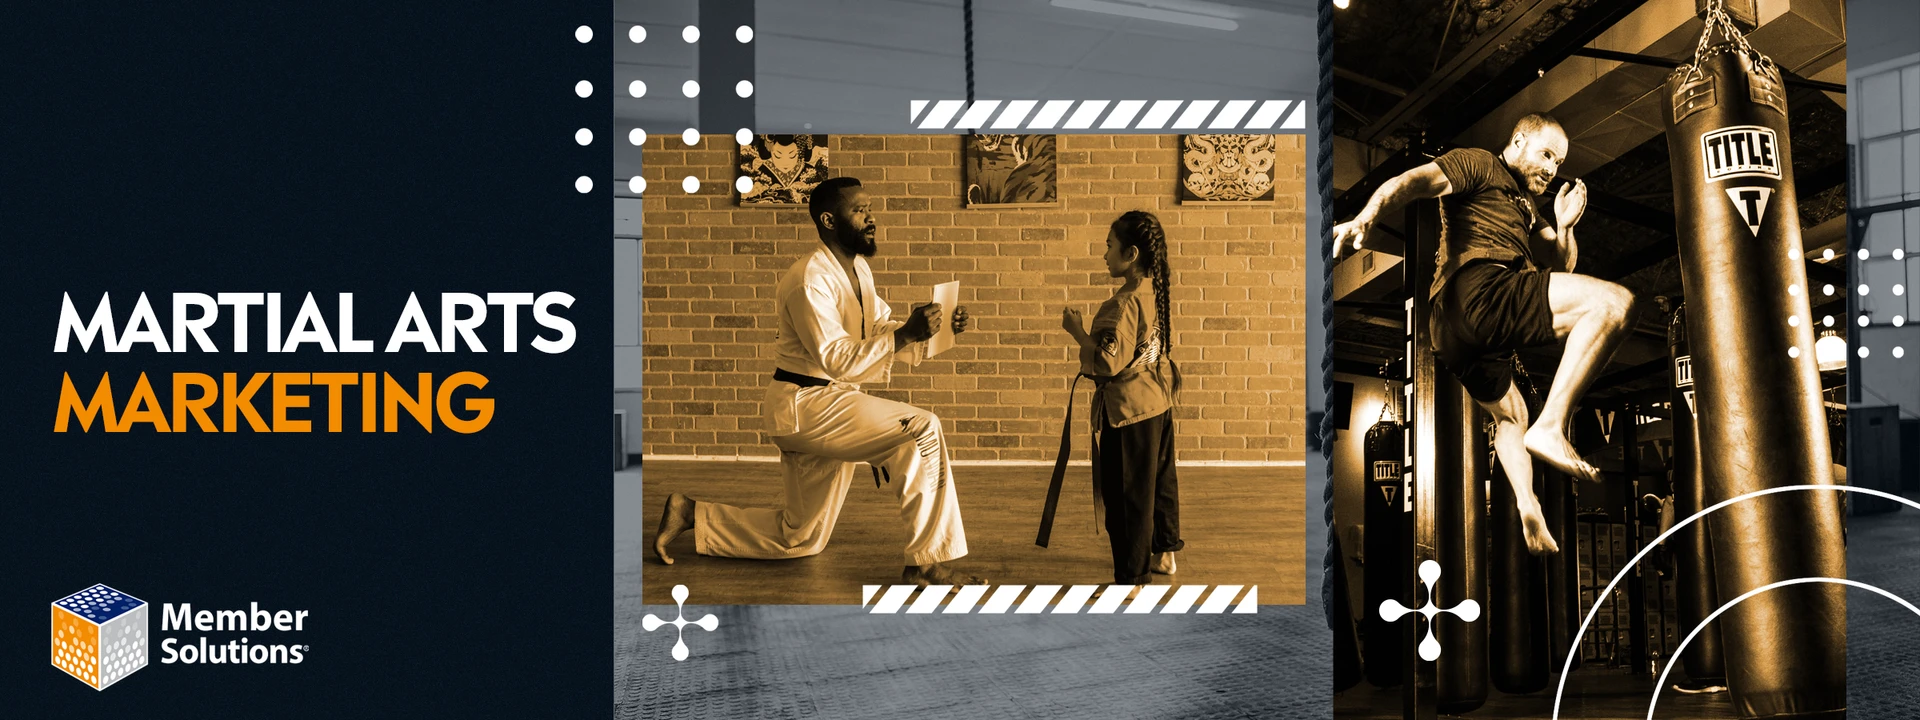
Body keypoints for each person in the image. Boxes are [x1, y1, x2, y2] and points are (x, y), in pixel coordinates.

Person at [653, 177, 988, 587]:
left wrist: (931, 329)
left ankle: (691, 512)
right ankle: (927, 564)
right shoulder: (809, 279)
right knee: (922, 428)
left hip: (829, 403)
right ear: (829, 220)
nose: (871, 218)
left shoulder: (858, 269)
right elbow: (836, 358)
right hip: (806, 404)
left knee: (800, 537)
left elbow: (877, 328)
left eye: (870, 209)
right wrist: (905, 334)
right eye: (859, 210)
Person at [1333, 113, 1636, 555]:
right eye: (1546, 154)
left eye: (1558, 162)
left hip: (1458, 334)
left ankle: (1528, 504)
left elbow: (1561, 265)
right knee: (1615, 303)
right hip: (1480, 290)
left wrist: (1565, 228)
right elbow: (1412, 181)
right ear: (1519, 140)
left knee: (1511, 417)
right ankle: (1553, 425)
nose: (1551, 169)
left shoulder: (1526, 206)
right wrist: (1366, 216)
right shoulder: (1478, 163)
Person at [1060, 210, 1184, 586]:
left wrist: (1077, 331)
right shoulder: (1154, 292)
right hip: (1157, 403)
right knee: (1159, 484)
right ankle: (1163, 554)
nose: (1104, 254)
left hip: (1129, 412)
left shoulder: (1122, 304)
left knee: (1128, 497)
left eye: (1109, 246)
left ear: (1131, 254)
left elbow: (1105, 364)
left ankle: (1133, 580)